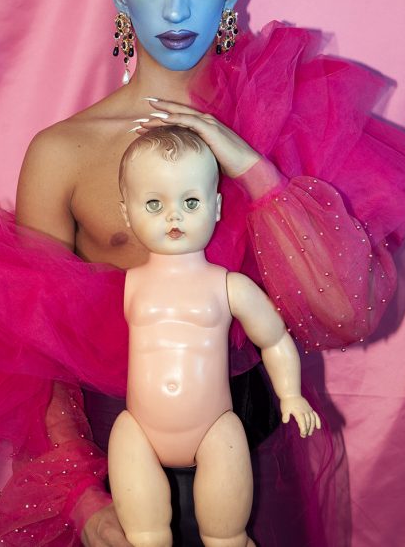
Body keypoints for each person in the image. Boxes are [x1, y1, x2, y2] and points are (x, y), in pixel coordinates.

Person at [0, 0, 405, 546]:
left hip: (252, 450)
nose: (177, 6)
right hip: (119, 461)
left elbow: (344, 311)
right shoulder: (63, 152)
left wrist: (251, 166)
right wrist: (81, 497)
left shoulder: (289, 122)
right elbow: (32, 355)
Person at [111, 126, 320, 547]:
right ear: (127, 212)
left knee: (226, 536)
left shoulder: (228, 286)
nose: (174, 217)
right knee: (144, 537)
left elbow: (274, 339)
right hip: (139, 429)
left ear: (216, 206)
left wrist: (291, 394)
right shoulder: (125, 284)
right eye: (154, 204)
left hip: (213, 429)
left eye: (190, 202)